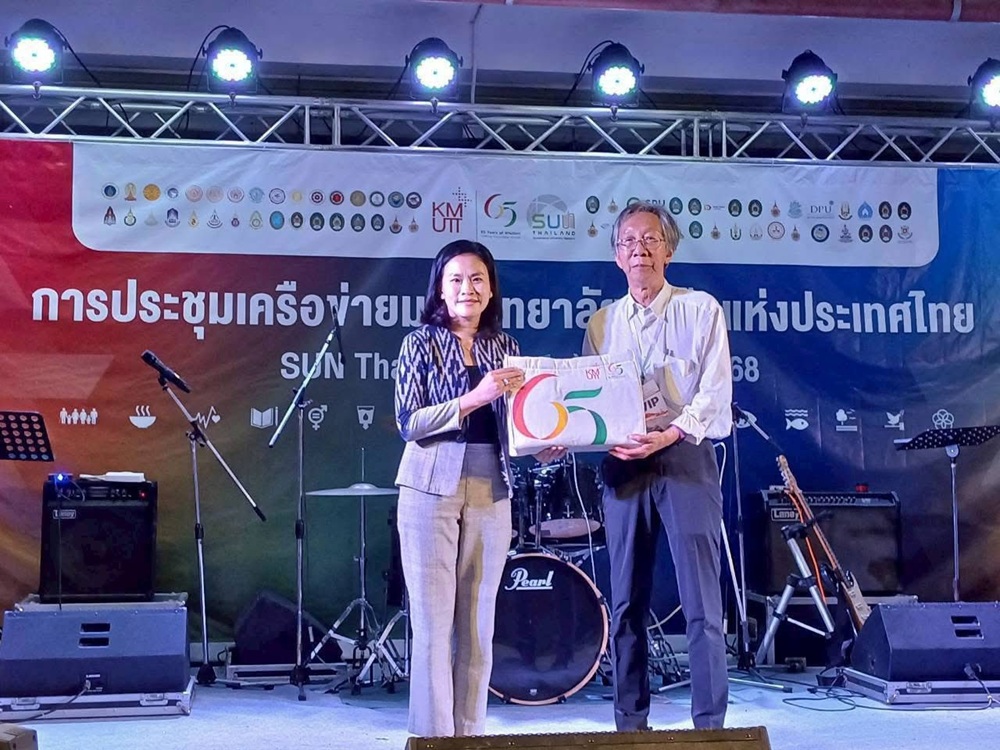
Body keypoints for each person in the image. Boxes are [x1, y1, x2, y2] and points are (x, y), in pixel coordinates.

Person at [393, 239, 561, 737]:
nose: (467, 288)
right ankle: (432, 739)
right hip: (429, 483)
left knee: (478, 628)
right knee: (432, 629)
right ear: (440, 290)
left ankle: (469, 738)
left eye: (477, 279)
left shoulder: (506, 347)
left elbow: (514, 427)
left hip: (492, 483)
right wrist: (474, 397)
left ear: (490, 291)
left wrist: (542, 445)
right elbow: (409, 422)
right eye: (456, 279)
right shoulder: (419, 343)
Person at [583, 201, 733, 731]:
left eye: (650, 239)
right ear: (616, 255)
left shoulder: (700, 309)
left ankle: (710, 727)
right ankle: (630, 723)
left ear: (668, 250)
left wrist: (670, 432)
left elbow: (715, 392)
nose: (639, 249)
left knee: (701, 603)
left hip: (685, 455)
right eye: (628, 241)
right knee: (625, 600)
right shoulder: (601, 323)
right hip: (625, 464)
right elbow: (591, 400)